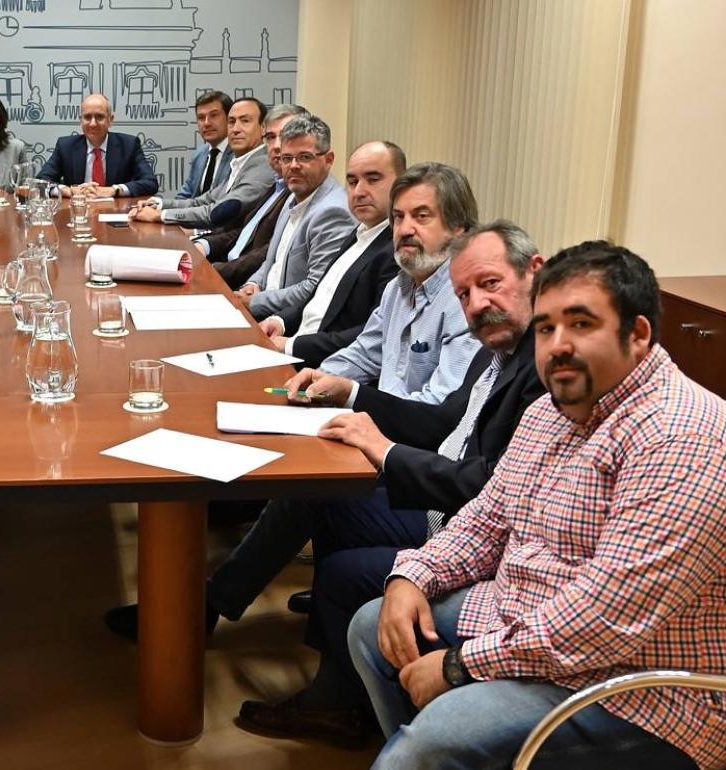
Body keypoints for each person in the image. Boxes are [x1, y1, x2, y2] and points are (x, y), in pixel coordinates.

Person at [349, 242, 725, 770]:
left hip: (637, 688)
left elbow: (606, 616)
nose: (557, 346)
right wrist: (410, 576)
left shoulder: (680, 435)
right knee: (374, 628)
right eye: (546, 328)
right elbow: (487, 517)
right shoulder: (552, 409)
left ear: (637, 335)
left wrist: (459, 667)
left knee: (433, 741)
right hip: (530, 622)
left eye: (581, 324)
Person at [229, 222, 546, 746]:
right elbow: (449, 422)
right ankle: (329, 670)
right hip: (452, 501)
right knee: (324, 498)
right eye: (465, 293)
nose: (477, 303)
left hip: (467, 528)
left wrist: (387, 451)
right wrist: (354, 402)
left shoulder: (541, 362)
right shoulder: (497, 345)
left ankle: (339, 705)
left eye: (490, 284)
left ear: (533, 272)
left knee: (343, 572)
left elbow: (486, 491)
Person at [291, 162, 482, 404]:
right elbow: (365, 353)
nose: (405, 229)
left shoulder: (465, 299)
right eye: (399, 217)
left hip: (410, 436)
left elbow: (440, 404)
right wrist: (319, 377)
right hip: (375, 422)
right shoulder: (398, 286)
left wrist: (353, 397)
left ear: (458, 228)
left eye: (421, 217)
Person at [257, 140, 405, 367]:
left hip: (321, 367)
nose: (359, 191)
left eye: (373, 179)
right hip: (292, 346)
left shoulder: (397, 250)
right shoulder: (360, 231)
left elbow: (371, 334)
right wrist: (281, 321)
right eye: (352, 181)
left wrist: (289, 346)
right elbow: (320, 295)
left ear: (401, 184)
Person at [234, 114, 356, 321]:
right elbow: (273, 261)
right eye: (287, 158)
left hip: (285, 324)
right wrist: (253, 285)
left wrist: (255, 302)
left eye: (305, 157)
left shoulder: (334, 212)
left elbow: (314, 288)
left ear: (328, 160)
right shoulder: (294, 195)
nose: (293, 166)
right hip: (262, 309)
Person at [196, 104, 307, 289]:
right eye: (271, 138)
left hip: (240, 282)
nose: (278, 146)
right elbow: (242, 233)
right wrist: (203, 245)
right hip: (224, 266)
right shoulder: (276, 184)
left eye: (287, 135)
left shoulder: (299, 193)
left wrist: (213, 271)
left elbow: (268, 253)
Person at [129, 97, 272, 228]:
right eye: (232, 122)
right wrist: (158, 204)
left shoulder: (263, 165)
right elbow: (202, 201)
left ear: (263, 128)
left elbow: (219, 212)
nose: (235, 129)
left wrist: (159, 215)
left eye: (245, 121)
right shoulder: (239, 162)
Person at [36, 93, 158, 198]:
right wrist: (69, 191)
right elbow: (41, 181)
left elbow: (150, 182)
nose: (93, 123)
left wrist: (114, 190)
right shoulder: (66, 146)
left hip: (115, 213)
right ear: (80, 121)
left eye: (99, 117)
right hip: (76, 213)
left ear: (110, 120)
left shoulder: (129, 145)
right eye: (87, 117)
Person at [175, 90, 233, 199]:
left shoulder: (238, 154)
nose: (206, 123)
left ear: (229, 118)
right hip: (193, 214)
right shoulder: (199, 154)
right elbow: (185, 195)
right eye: (201, 118)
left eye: (214, 115)